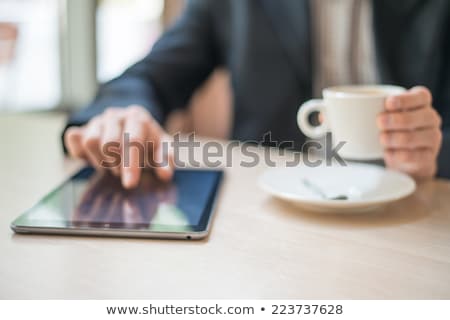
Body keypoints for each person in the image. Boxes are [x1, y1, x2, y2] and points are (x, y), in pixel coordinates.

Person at [63, 0, 449, 189]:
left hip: (409, 209)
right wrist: (123, 113)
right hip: (267, 216)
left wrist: (435, 155)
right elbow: (153, 75)